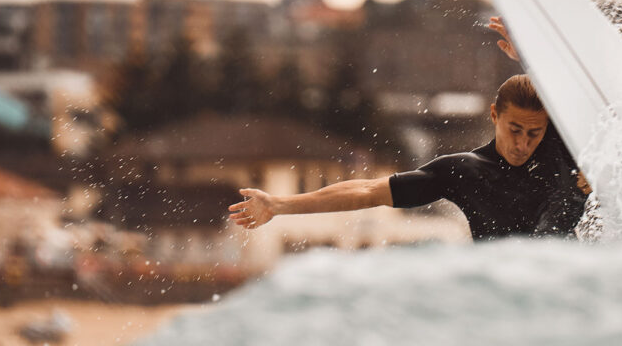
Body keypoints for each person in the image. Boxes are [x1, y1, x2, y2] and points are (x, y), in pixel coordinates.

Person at [229, 18, 591, 240]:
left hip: (564, 282)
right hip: (507, 290)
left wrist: (530, 58)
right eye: (515, 130)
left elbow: (571, 95)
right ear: (494, 115)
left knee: (570, 198)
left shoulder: (557, 143)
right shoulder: (465, 171)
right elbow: (367, 190)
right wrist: (278, 203)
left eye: (534, 133)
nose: (523, 143)